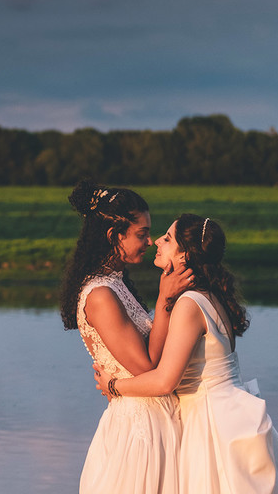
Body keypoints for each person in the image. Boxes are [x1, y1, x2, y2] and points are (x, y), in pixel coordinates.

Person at [94, 214, 278, 494]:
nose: (157, 240)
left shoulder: (189, 304)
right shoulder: (207, 295)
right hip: (227, 412)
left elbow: (164, 381)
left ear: (184, 256)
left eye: (168, 239)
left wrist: (113, 385)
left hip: (211, 424)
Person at [60, 180, 192, 494]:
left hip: (153, 418)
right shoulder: (101, 295)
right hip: (138, 430)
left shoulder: (116, 282)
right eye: (142, 233)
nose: (149, 241)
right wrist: (164, 300)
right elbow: (146, 368)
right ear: (114, 236)